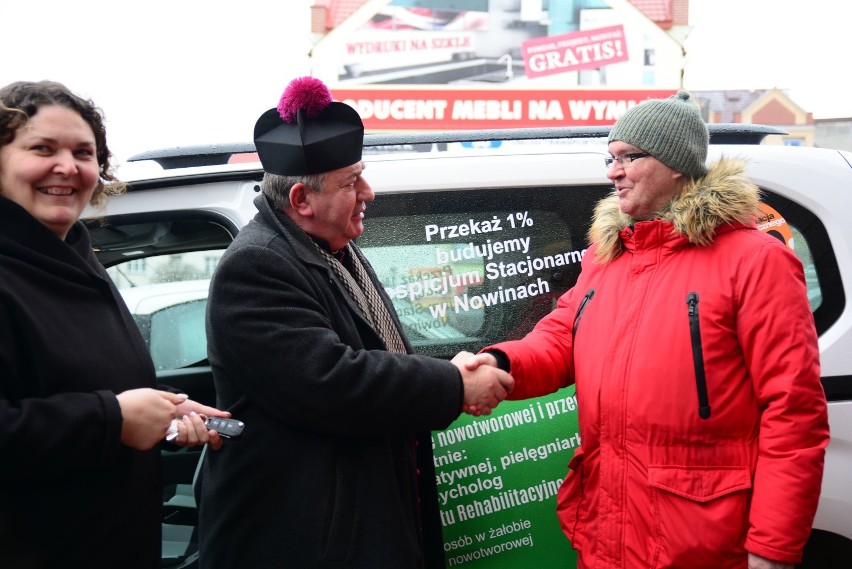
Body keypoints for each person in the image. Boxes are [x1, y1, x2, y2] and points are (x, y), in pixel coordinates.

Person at [462, 91, 830, 569]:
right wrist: (500, 363)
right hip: (608, 524)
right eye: (610, 158)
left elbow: (794, 409)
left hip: (702, 538)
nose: (613, 171)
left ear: (677, 165)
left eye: (630, 157)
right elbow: (561, 338)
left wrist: (772, 548)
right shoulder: (608, 255)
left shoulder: (756, 260)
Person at [198, 76, 514, 569]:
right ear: (301, 199)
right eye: (351, 182)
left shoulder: (330, 246)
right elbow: (333, 381)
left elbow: (379, 356)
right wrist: (453, 383)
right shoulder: (257, 265)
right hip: (306, 542)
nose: (368, 191)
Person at [0, 80, 229, 569]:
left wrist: (163, 415)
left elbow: (82, 387)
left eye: (84, 152)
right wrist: (114, 419)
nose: (67, 166)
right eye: (42, 149)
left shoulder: (75, 257)